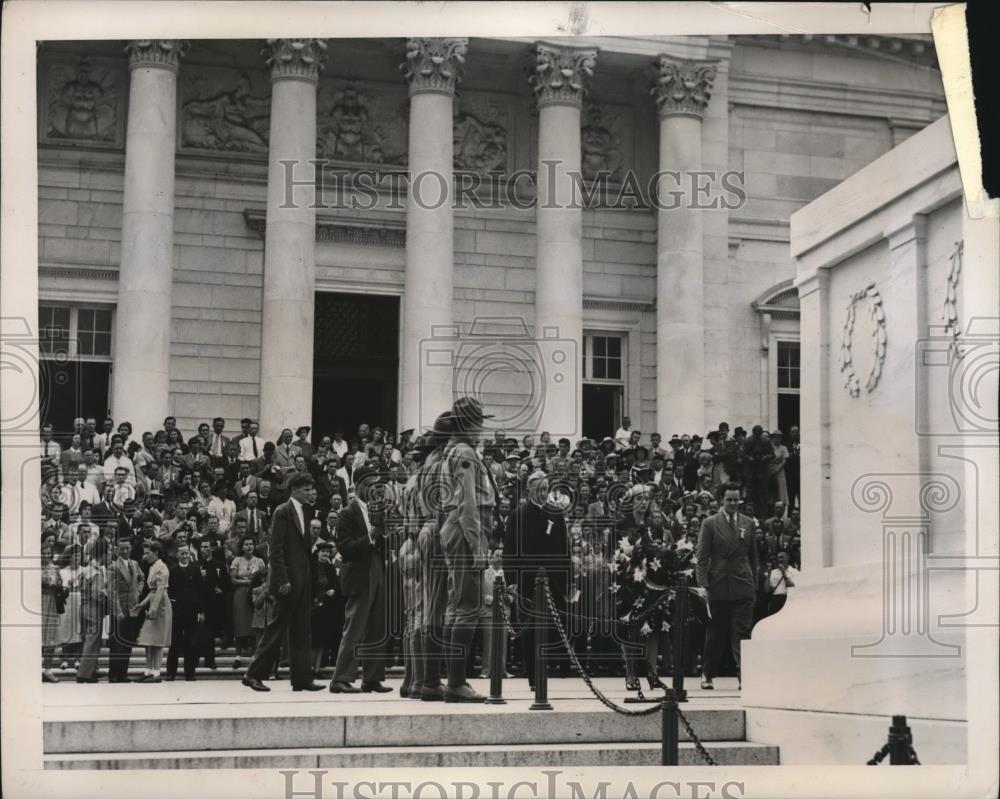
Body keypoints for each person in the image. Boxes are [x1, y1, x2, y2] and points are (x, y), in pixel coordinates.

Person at [438, 397, 497, 703]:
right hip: (466, 533)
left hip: (457, 530)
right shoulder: (464, 452)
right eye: (479, 422)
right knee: (468, 607)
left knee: (457, 606)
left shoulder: (457, 450)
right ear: (469, 424)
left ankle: (455, 681)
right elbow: (468, 503)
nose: (482, 428)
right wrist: (477, 546)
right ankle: (457, 682)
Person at [243, 473, 323, 692]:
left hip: (302, 580)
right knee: (276, 629)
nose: (310, 493)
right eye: (306, 489)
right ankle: (253, 674)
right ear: (294, 489)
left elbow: (306, 551)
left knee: (301, 630)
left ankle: (301, 679)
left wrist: (312, 583)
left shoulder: (306, 512)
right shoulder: (282, 511)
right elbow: (275, 550)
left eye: (311, 489)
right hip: (287, 582)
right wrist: (282, 580)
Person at [503, 470, 571, 690]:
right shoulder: (517, 515)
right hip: (527, 583)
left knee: (553, 628)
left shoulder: (557, 514)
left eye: (546, 490)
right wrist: (511, 579)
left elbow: (564, 549)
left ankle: (550, 669)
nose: (543, 494)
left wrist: (568, 579)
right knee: (530, 630)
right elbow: (510, 550)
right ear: (529, 490)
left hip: (553, 582)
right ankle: (533, 676)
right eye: (539, 490)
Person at [329, 465, 391, 694]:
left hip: (376, 567)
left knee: (377, 626)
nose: (376, 488)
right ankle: (340, 678)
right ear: (360, 485)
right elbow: (344, 549)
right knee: (354, 628)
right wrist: (371, 537)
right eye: (371, 483)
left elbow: (380, 542)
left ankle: (372, 678)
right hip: (358, 572)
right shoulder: (347, 513)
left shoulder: (377, 510)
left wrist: (385, 535)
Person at [695, 482, 758, 690]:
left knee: (742, 633)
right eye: (729, 499)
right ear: (721, 500)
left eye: (736, 499)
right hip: (718, 586)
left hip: (742, 584)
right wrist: (703, 585)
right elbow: (702, 557)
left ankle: (745, 676)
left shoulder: (748, 523)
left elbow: (753, 557)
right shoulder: (710, 523)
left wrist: (753, 584)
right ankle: (707, 674)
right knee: (716, 633)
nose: (733, 503)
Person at [107, 537, 145, 682]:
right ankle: (113, 674)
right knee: (117, 644)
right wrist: (118, 611)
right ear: (117, 550)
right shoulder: (113, 566)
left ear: (131, 549)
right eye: (121, 548)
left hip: (133, 608)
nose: (125, 551)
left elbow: (142, 578)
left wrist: (139, 591)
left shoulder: (134, 564)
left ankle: (123, 674)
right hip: (120, 609)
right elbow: (111, 591)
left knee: (129, 642)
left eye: (127, 548)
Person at [165, 544, 205, 681]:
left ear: (190, 555)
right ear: (177, 555)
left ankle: (190, 673)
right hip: (177, 612)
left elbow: (201, 592)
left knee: (190, 643)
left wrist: (201, 611)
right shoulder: (173, 571)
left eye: (187, 553)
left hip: (191, 612)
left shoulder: (195, 570)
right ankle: (171, 673)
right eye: (182, 554)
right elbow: (169, 590)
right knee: (174, 643)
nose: (184, 556)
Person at [135, 540, 172, 682]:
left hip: (161, 605)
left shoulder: (162, 568)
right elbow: (152, 591)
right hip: (154, 603)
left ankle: (156, 672)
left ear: (156, 552)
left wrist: (154, 609)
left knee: (157, 641)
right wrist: (142, 605)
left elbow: (161, 590)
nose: (145, 556)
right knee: (149, 640)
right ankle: (149, 670)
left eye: (147, 553)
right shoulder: (153, 567)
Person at [229, 536, 264, 667]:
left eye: (251, 544)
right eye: (246, 544)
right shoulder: (237, 560)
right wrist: (247, 581)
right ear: (242, 547)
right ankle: (238, 655)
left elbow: (264, 578)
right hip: (241, 594)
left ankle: (254, 654)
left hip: (255, 594)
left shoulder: (259, 561)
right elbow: (232, 580)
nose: (249, 546)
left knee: (254, 623)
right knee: (240, 623)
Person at [310, 541, 343, 672]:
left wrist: (333, 590)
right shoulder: (312, 567)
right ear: (317, 553)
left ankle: (317, 669)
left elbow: (335, 584)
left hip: (326, 608)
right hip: (313, 607)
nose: (325, 554)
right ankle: (309, 668)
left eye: (328, 552)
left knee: (322, 639)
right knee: (313, 639)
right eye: (323, 551)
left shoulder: (330, 568)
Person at [41, 542, 64, 683]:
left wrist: (59, 585)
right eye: (43, 551)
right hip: (36, 603)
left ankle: (48, 670)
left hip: (50, 603)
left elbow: (59, 587)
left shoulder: (55, 568)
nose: (46, 554)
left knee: (50, 638)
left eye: (48, 552)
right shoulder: (32, 568)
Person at [764, 551, 797, 616]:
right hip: (775, 600)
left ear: (787, 558)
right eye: (778, 558)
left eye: (782, 557)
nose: (780, 560)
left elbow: (792, 587)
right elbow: (766, 590)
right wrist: (769, 574)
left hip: (788, 599)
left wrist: (783, 573)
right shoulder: (773, 572)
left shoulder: (794, 572)